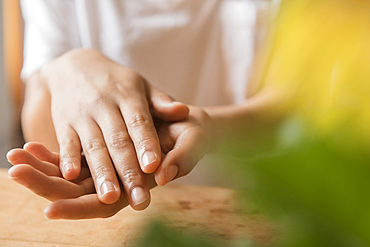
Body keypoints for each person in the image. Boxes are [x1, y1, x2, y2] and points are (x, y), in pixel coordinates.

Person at [7, 0, 283, 219]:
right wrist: (66, 69)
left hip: (261, 203)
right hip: (123, 222)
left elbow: (306, 109)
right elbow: (40, 129)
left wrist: (211, 128)